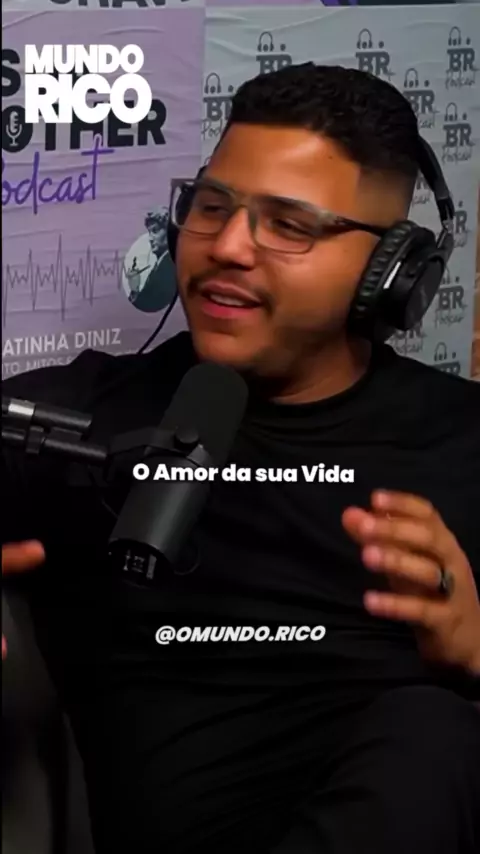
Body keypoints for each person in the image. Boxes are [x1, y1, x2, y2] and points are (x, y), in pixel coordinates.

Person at [2, 63, 480, 854]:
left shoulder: (461, 437)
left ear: (392, 273)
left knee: (431, 731)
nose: (226, 247)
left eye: (289, 225)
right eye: (212, 206)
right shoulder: (74, 420)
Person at [126, 207, 177, 312]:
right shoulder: (161, 264)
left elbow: (150, 304)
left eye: (155, 231)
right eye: (149, 232)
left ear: (169, 232)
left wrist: (134, 289)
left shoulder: (168, 267)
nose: (150, 238)